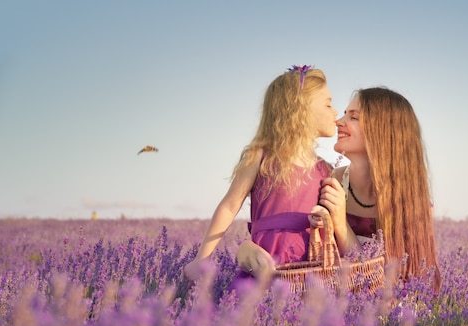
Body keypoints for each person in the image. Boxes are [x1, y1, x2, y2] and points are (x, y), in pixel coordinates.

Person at [183, 65, 338, 285]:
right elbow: (229, 206)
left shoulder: (326, 170)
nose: (335, 111)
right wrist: (202, 258)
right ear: (300, 108)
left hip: (309, 269)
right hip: (263, 264)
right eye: (328, 103)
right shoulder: (261, 157)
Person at [315, 87, 442, 293]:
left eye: (353, 117)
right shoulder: (327, 180)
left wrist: (340, 223)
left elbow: (389, 284)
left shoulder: (413, 203)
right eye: (345, 114)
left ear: (383, 130)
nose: (339, 121)